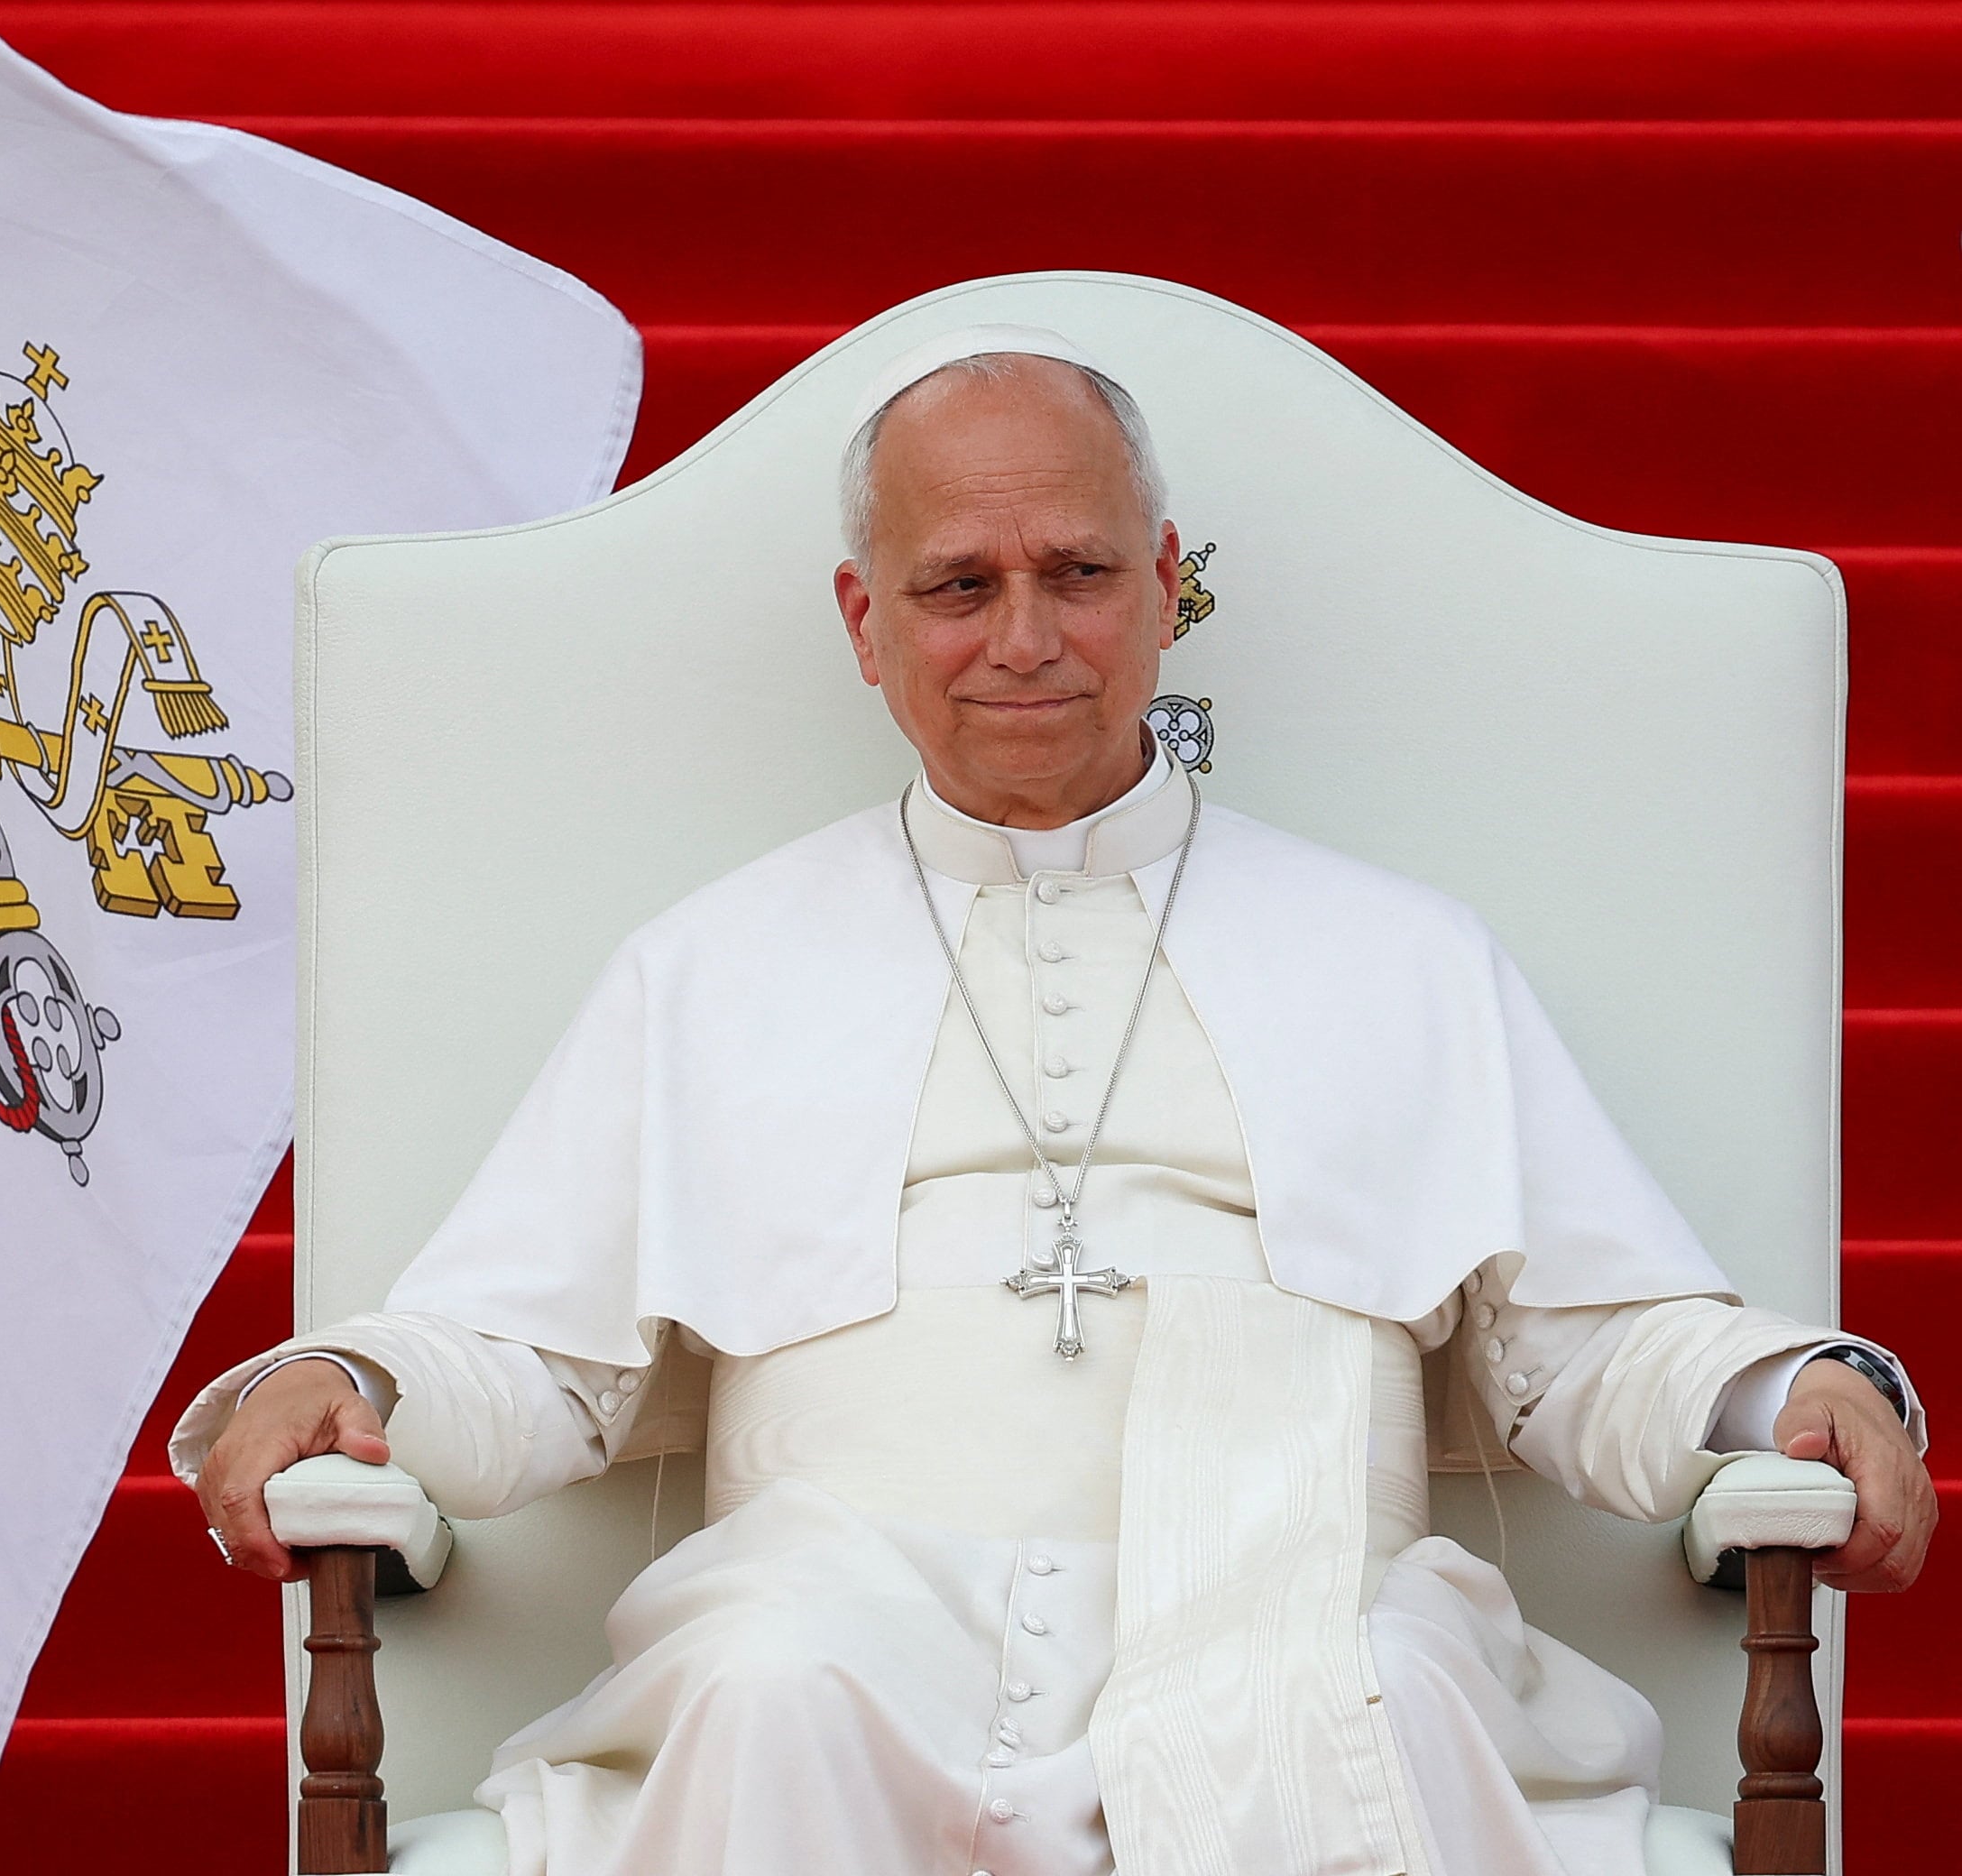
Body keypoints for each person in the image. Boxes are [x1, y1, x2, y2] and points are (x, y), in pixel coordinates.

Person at [172, 326, 1935, 1876]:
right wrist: (356, 1372)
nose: (1024, 636)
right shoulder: (709, 965)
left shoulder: (1399, 952)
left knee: (1376, 1686)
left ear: (1166, 582)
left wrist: (1794, 1381)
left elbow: (1586, 1341)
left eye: (1078, 570)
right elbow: (544, 1354)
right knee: (763, 1675)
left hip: (1297, 1575)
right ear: (867, 621)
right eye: (959, 583)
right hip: (841, 1599)